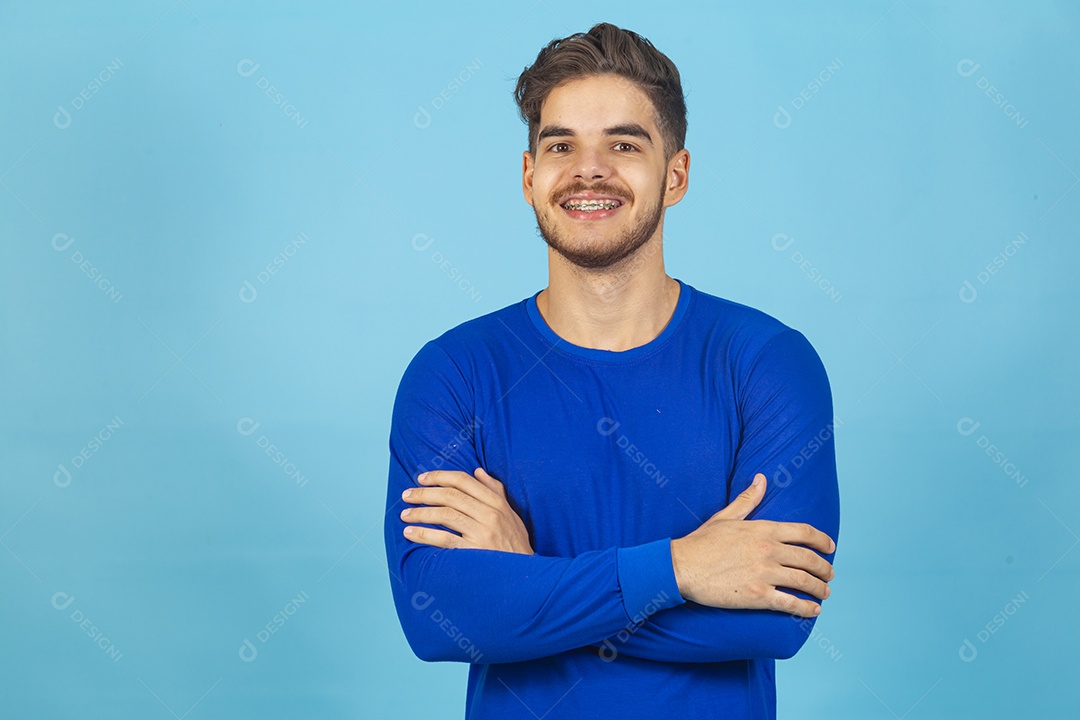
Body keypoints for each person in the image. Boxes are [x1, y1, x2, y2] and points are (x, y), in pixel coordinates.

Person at [384, 21, 840, 719]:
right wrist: (683, 568)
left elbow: (775, 616)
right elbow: (435, 616)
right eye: (560, 144)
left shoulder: (767, 364)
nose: (588, 170)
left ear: (676, 175)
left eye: (623, 144)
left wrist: (529, 581)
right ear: (529, 175)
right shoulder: (453, 373)